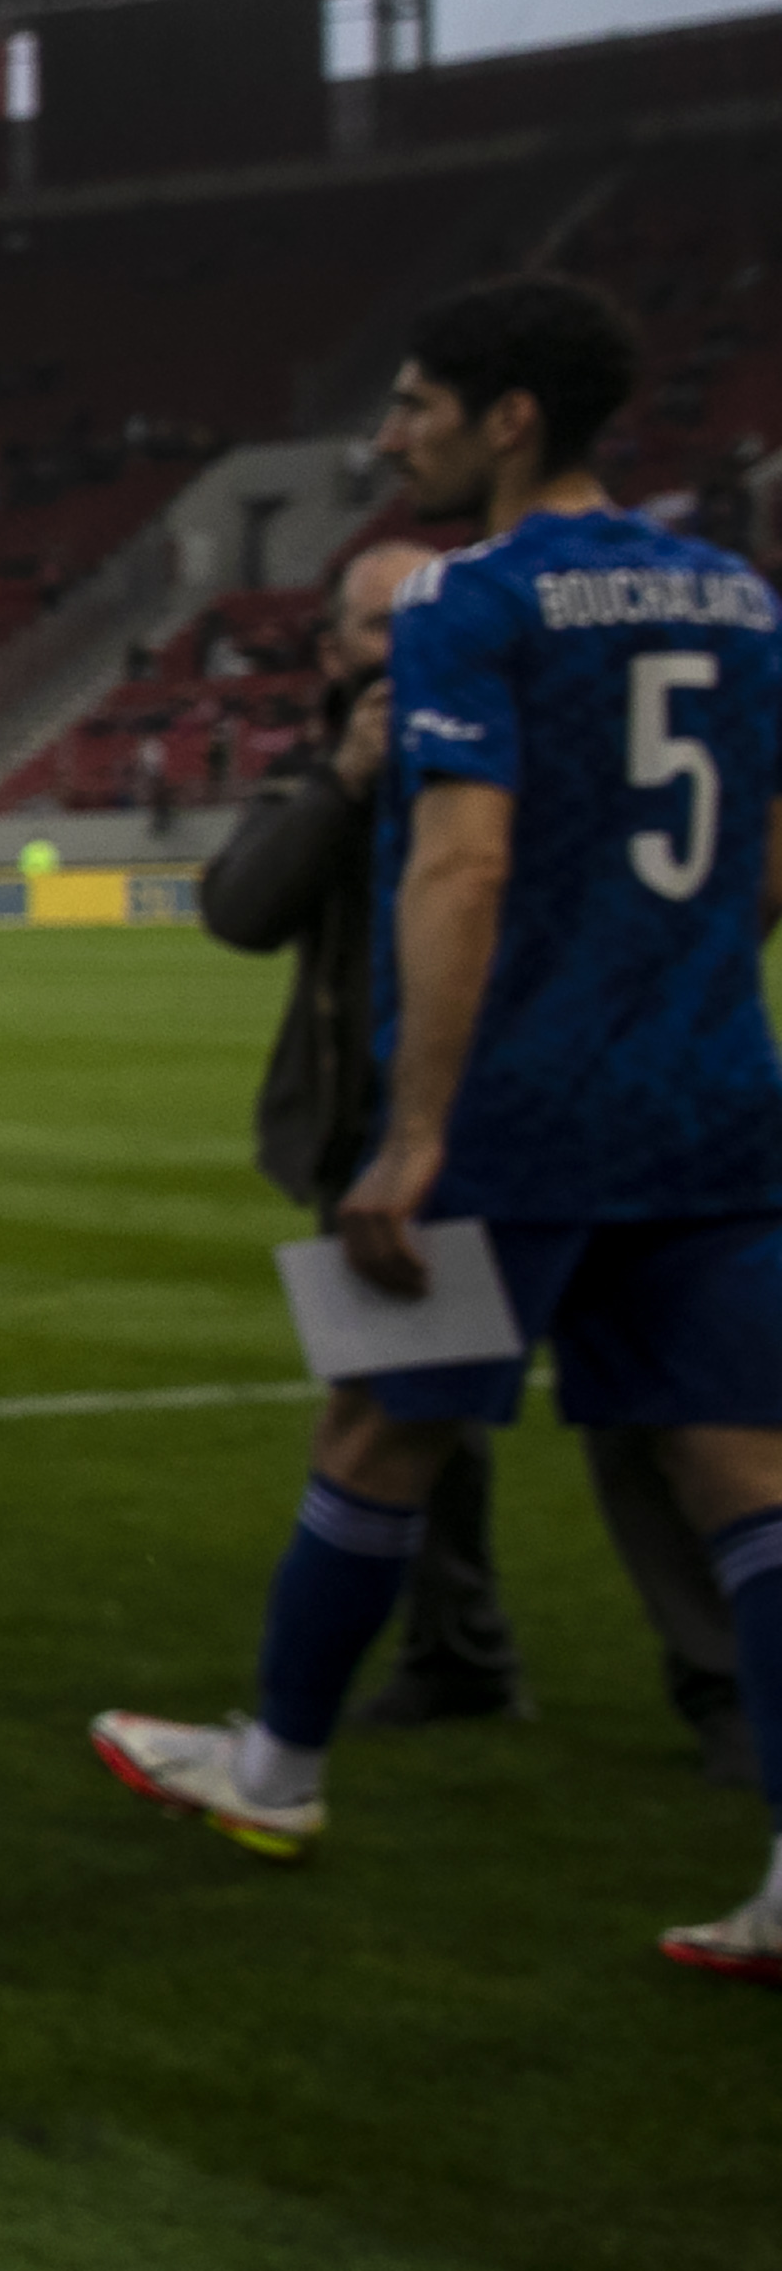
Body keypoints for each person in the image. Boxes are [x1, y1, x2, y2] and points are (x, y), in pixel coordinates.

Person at [99, 277, 782, 1979]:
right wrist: (678, 987)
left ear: (508, 419)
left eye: (413, 407)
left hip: (518, 1110)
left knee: (375, 1433)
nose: (391, 437)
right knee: (748, 1475)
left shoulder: (478, 602)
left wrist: (413, 1135)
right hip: (706, 1101)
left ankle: (274, 1771)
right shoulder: (740, 597)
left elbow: (464, 861)